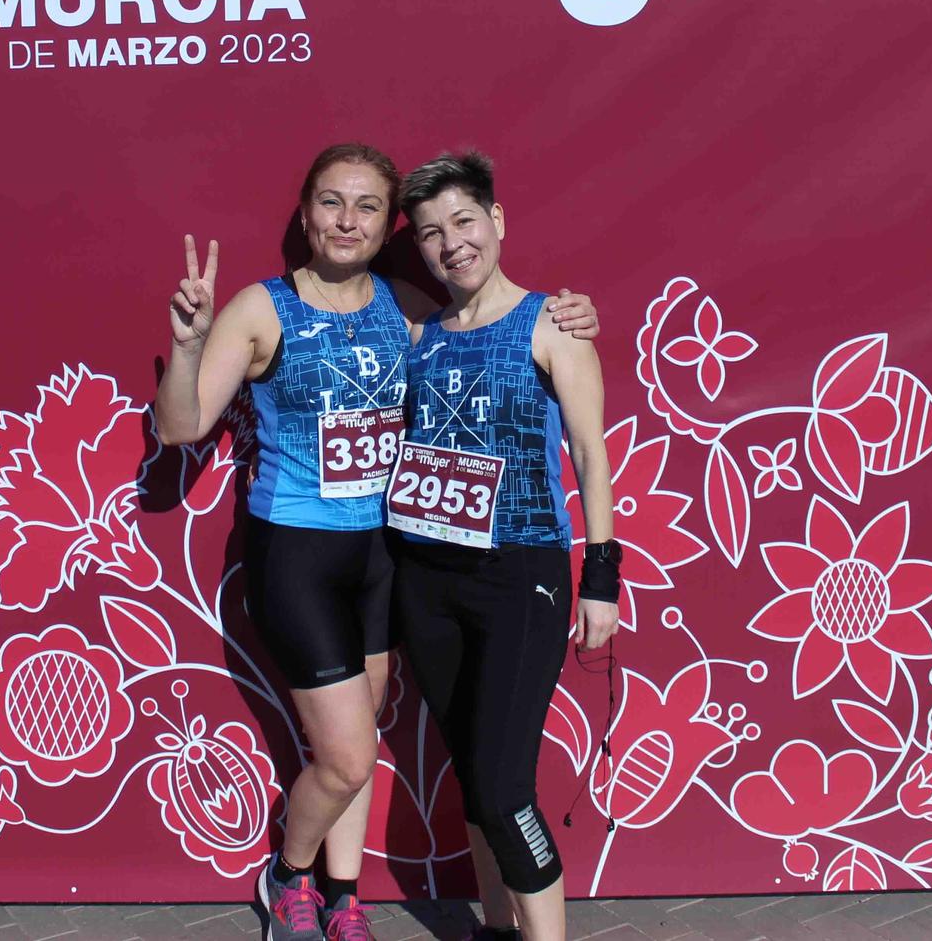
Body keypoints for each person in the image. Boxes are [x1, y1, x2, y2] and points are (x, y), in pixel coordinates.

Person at [156, 144, 597, 941]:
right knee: (351, 754)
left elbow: (488, 321)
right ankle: (286, 876)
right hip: (299, 554)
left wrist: (569, 315)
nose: (347, 220)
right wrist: (189, 345)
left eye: (366, 206)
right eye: (331, 202)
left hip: (390, 558)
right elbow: (183, 426)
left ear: (385, 224)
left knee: (374, 742)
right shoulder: (262, 307)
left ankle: (344, 893)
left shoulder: (408, 306)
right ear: (304, 213)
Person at [387, 152, 620, 941]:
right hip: (428, 582)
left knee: (503, 786)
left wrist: (601, 576)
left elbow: (590, 453)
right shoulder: (419, 334)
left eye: (462, 221)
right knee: (471, 778)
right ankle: (495, 927)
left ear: (497, 220)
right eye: (429, 233)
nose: (451, 243)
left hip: (523, 575)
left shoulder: (554, 322)